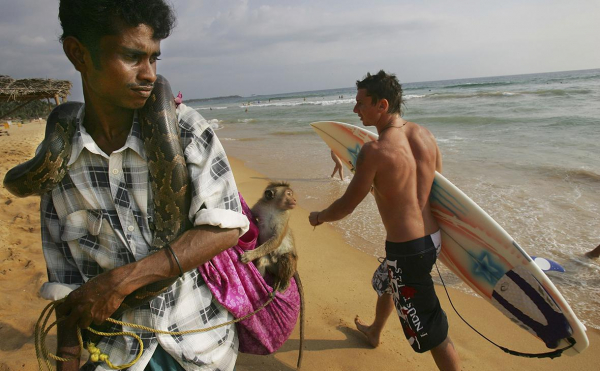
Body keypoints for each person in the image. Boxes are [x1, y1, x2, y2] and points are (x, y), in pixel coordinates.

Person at [40, 1, 249, 370]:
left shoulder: (186, 130)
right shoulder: (55, 166)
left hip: (197, 345)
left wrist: (120, 283)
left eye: (154, 59)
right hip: (114, 355)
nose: (149, 74)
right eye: (132, 56)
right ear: (78, 54)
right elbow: (66, 286)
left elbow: (226, 229)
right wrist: (67, 359)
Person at [309, 70, 460, 370]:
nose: (355, 110)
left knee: (432, 332)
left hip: (407, 252)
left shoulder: (375, 151)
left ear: (383, 105)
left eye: (361, 103)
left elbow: (347, 205)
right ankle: (375, 330)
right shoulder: (426, 137)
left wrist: (320, 216)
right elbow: (441, 194)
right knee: (384, 280)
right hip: (431, 241)